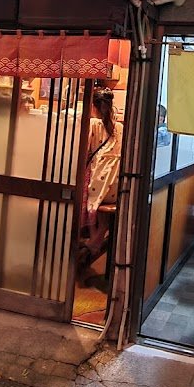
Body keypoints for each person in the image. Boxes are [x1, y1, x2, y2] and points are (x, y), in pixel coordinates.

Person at [78, 88, 123, 274]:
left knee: (79, 192)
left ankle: (91, 243)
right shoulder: (120, 127)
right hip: (115, 187)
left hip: (98, 186)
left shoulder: (93, 124)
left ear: (93, 106)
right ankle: (95, 242)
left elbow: (83, 150)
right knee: (103, 215)